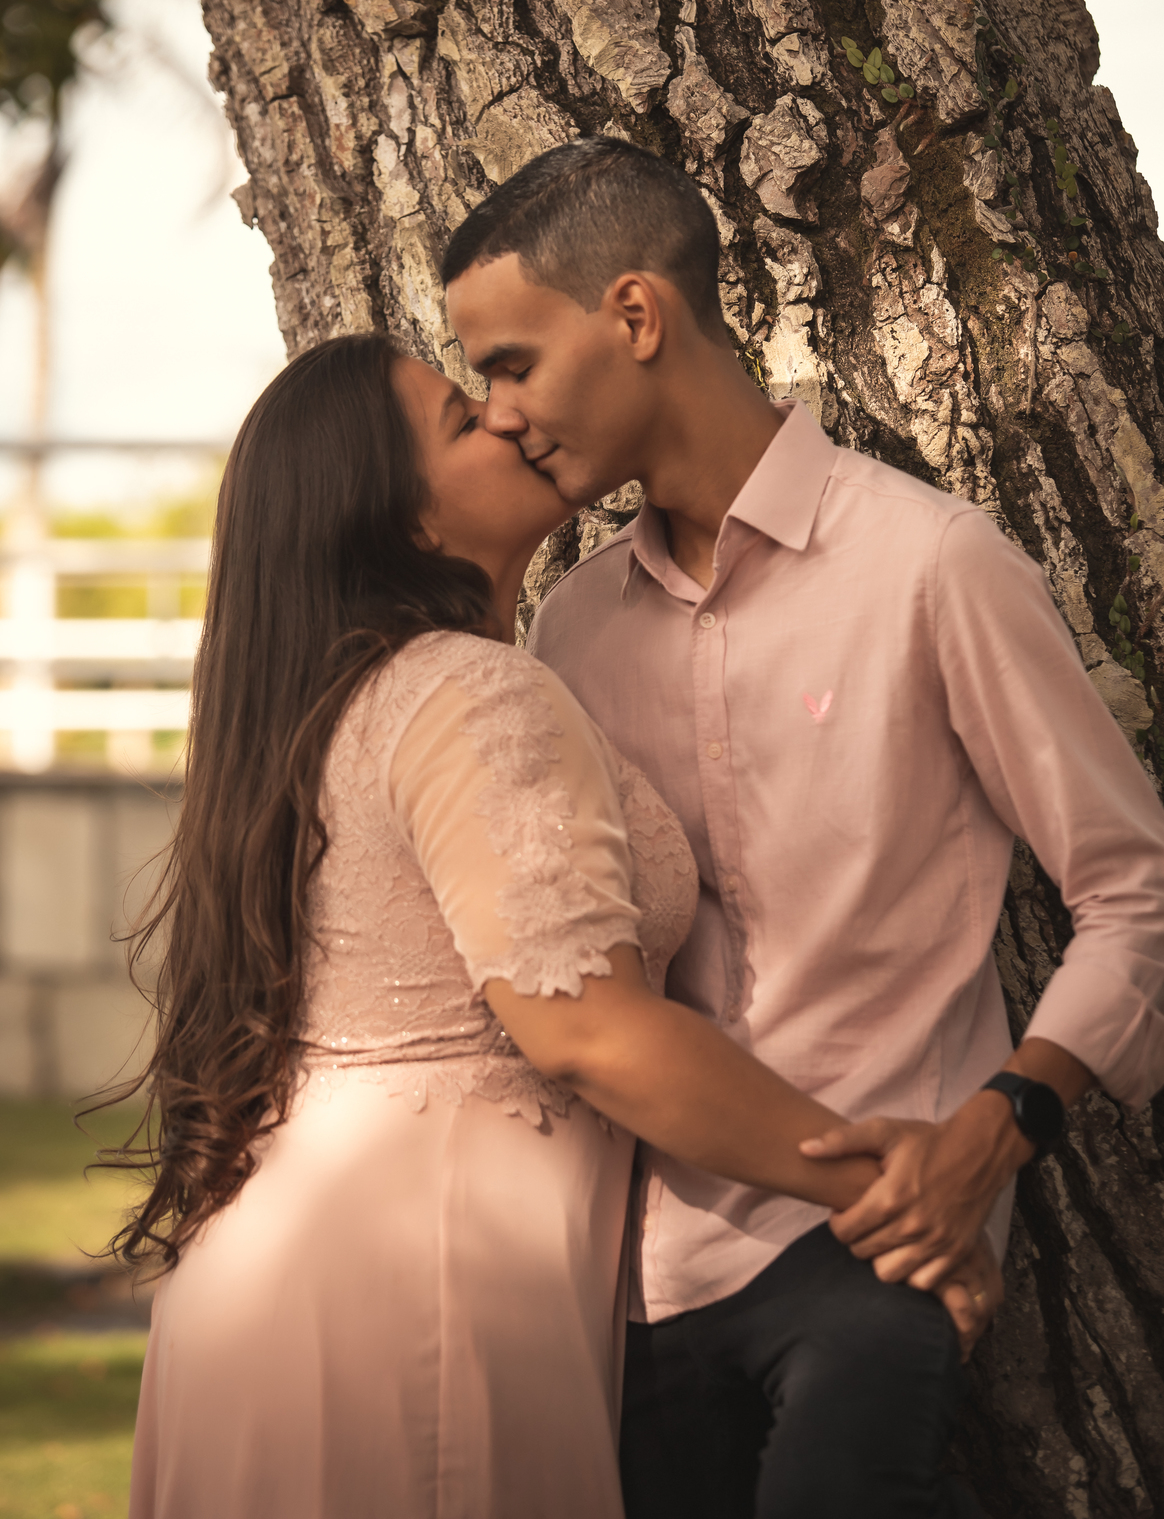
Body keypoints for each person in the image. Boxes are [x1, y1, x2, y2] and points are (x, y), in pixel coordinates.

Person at [117, 334, 994, 1519]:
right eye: (458, 417)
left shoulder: (330, 707)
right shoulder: (471, 695)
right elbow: (588, 1031)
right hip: (422, 1296)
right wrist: (887, 1183)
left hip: (278, 1289)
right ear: (399, 518)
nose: (508, 417)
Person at [441, 135, 1164, 1519]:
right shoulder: (574, 625)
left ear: (637, 316)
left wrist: (1005, 1123)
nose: (502, 414)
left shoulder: (930, 567)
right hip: (634, 1279)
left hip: (878, 1248)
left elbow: (1136, 891)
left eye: (511, 361)